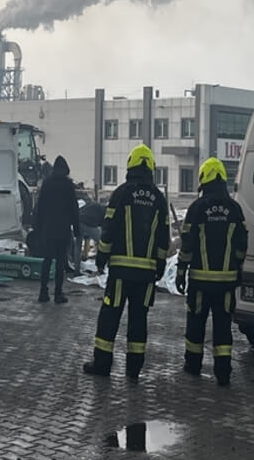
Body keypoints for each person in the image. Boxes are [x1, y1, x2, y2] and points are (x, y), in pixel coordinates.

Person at [83, 144, 169, 379]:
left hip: (120, 271)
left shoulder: (121, 193)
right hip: (146, 275)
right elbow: (164, 237)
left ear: (131, 165)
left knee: (110, 315)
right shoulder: (159, 199)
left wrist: (101, 257)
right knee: (138, 319)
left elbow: (109, 229)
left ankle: (102, 365)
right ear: (150, 167)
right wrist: (160, 265)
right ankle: (134, 369)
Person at [176, 157, 249, 385]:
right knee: (223, 326)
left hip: (200, 281)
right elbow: (242, 245)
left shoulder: (197, 209)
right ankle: (223, 372)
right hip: (226, 282)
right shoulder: (234, 209)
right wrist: (236, 267)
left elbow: (186, 244)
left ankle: (193, 365)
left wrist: (181, 270)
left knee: (196, 324)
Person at [33, 154, 80, 304]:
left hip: (48, 229)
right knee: (60, 262)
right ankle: (58, 294)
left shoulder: (47, 183)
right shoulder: (68, 185)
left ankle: (43, 292)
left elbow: (39, 207)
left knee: (47, 260)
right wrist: (77, 229)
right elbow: (74, 209)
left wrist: (38, 228)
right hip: (63, 229)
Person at [78, 189, 105, 261]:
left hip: (78, 220)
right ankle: (103, 261)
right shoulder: (105, 211)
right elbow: (103, 224)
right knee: (102, 242)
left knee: (78, 244)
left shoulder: (96, 205)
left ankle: (77, 268)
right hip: (89, 222)